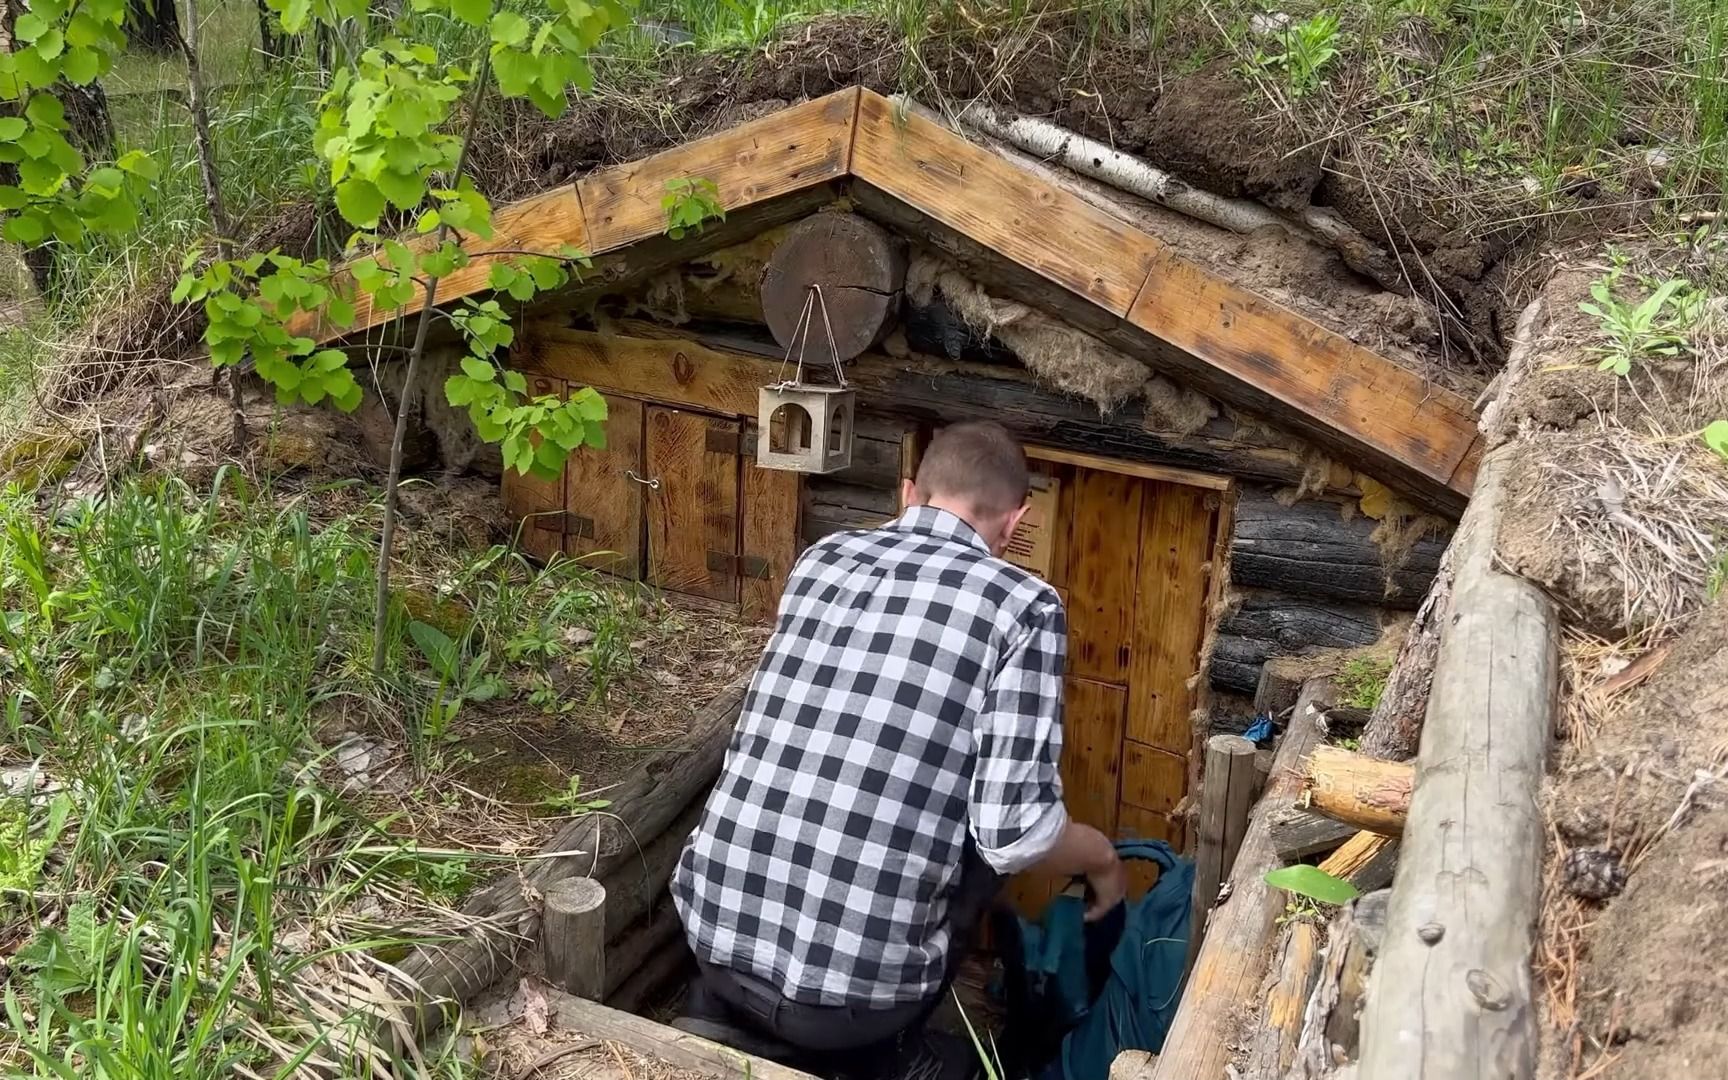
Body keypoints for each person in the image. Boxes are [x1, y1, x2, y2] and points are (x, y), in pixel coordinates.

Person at [670, 420, 1126, 1079]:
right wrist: (1105, 860)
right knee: (984, 842)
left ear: (909, 492)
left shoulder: (822, 557)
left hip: (710, 939)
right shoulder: (1025, 605)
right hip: (857, 1002)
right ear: (1014, 522)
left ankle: (731, 1014)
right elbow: (1015, 833)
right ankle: (891, 1053)